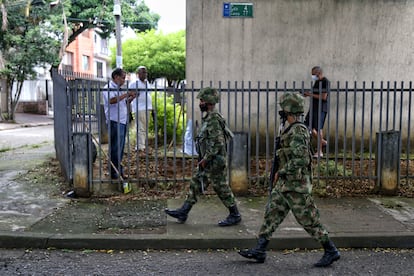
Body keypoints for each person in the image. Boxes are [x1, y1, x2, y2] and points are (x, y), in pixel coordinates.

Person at [238, 92, 340, 267]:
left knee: (308, 219)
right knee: (272, 213)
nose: (281, 112)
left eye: (283, 109)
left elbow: (301, 159)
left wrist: (282, 171)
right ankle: (260, 250)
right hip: (285, 184)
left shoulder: (299, 130)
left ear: (289, 110)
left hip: (296, 185)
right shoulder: (290, 129)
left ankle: (330, 250)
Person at [164, 87, 242, 227]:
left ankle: (235, 214)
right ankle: (184, 211)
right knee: (196, 183)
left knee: (220, 187)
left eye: (202, 100)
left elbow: (217, 143)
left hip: (215, 161)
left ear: (209, 102)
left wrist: (206, 159)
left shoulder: (213, 119)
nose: (200, 103)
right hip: (211, 160)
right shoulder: (209, 118)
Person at [102, 68, 136, 179]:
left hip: (122, 120)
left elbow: (123, 102)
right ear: (116, 77)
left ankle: (118, 169)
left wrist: (131, 98)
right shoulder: (108, 88)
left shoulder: (119, 89)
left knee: (120, 147)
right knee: (115, 147)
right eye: (122, 78)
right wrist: (126, 94)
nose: (123, 80)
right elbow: (112, 100)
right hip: (114, 121)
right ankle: (114, 172)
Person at [304, 66, 329, 158]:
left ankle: (320, 152)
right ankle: (322, 142)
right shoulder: (317, 82)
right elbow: (316, 93)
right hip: (314, 108)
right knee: (307, 126)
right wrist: (308, 94)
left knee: (318, 129)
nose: (312, 76)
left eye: (313, 74)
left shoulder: (325, 82)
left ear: (319, 73)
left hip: (321, 108)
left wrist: (310, 94)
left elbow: (323, 97)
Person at [129, 66, 153, 153]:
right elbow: (129, 94)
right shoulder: (134, 83)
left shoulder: (147, 83)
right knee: (140, 127)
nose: (145, 74)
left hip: (147, 107)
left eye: (146, 72)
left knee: (145, 127)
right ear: (138, 74)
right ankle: (139, 147)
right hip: (139, 108)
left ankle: (142, 145)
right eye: (143, 72)